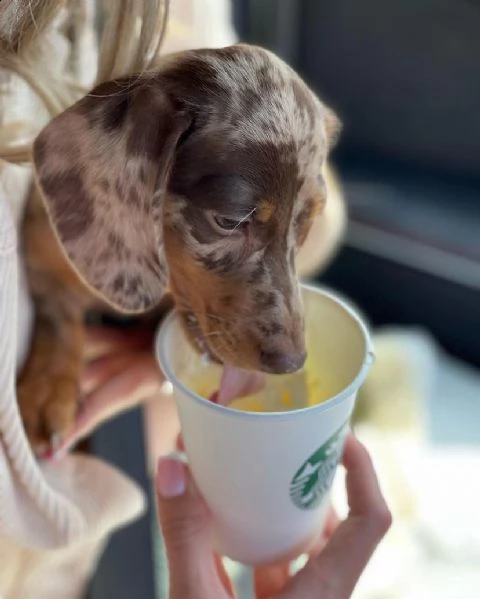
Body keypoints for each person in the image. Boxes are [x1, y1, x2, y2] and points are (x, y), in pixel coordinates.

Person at [0, 0, 378, 597]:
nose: (288, 345)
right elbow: (46, 277)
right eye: (230, 220)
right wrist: (57, 338)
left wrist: (158, 356)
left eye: (296, 227)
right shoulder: (79, 214)